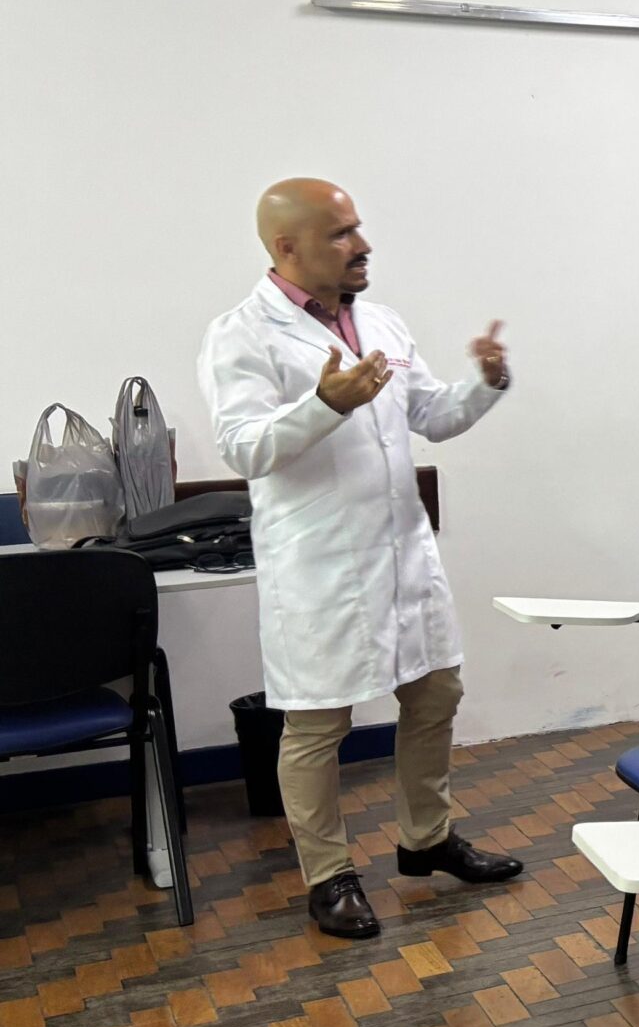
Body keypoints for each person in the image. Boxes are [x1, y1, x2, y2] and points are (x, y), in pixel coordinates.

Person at [196, 178, 523, 939]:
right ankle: (330, 875)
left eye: (357, 229)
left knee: (435, 693)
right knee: (316, 726)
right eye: (341, 233)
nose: (363, 245)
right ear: (287, 247)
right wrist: (326, 404)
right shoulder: (242, 334)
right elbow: (244, 446)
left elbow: (432, 416)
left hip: (404, 552)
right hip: (319, 564)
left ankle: (427, 839)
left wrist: (486, 381)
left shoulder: (379, 321)